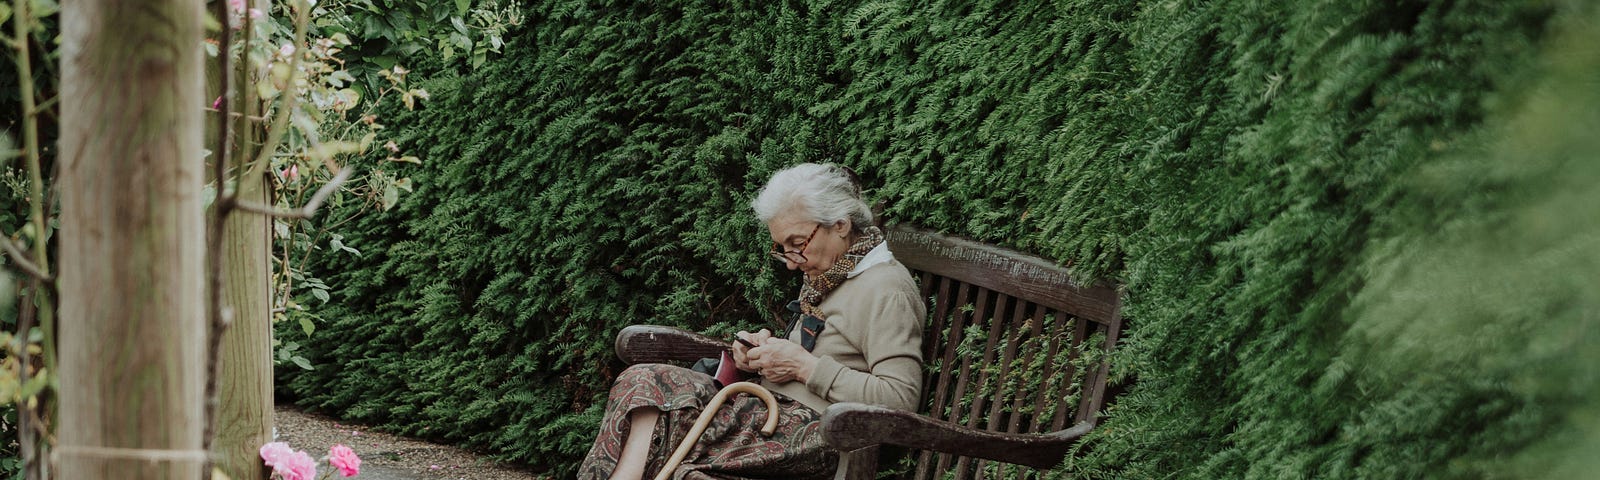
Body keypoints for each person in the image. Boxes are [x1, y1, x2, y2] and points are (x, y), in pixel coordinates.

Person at [578, 163, 926, 480]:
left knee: (669, 420)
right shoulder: (831, 274)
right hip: (769, 412)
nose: (791, 262)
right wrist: (758, 357)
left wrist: (804, 367)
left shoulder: (885, 288)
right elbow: (821, 348)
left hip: (820, 436)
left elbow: (899, 400)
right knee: (643, 382)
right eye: (782, 247)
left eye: (798, 243)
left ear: (840, 225)